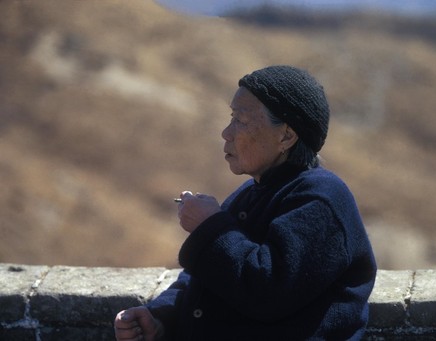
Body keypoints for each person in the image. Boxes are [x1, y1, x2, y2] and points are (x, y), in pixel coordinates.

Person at [114, 65, 377, 341]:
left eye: (241, 120)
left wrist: (211, 226)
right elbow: (203, 279)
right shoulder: (251, 193)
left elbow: (267, 292)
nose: (227, 133)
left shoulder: (322, 199)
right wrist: (159, 318)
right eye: (231, 117)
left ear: (286, 136)